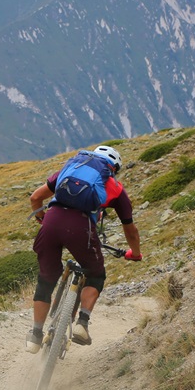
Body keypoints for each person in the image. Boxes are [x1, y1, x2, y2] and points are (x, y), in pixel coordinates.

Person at [26, 145, 143, 353]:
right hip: (81, 228)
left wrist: (41, 219)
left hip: (51, 222)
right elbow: (130, 229)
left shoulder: (70, 169)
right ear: (113, 169)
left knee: (47, 277)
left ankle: (35, 336)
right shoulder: (115, 187)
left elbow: (35, 198)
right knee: (95, 273)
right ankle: (82, 323)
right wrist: (135, 253)